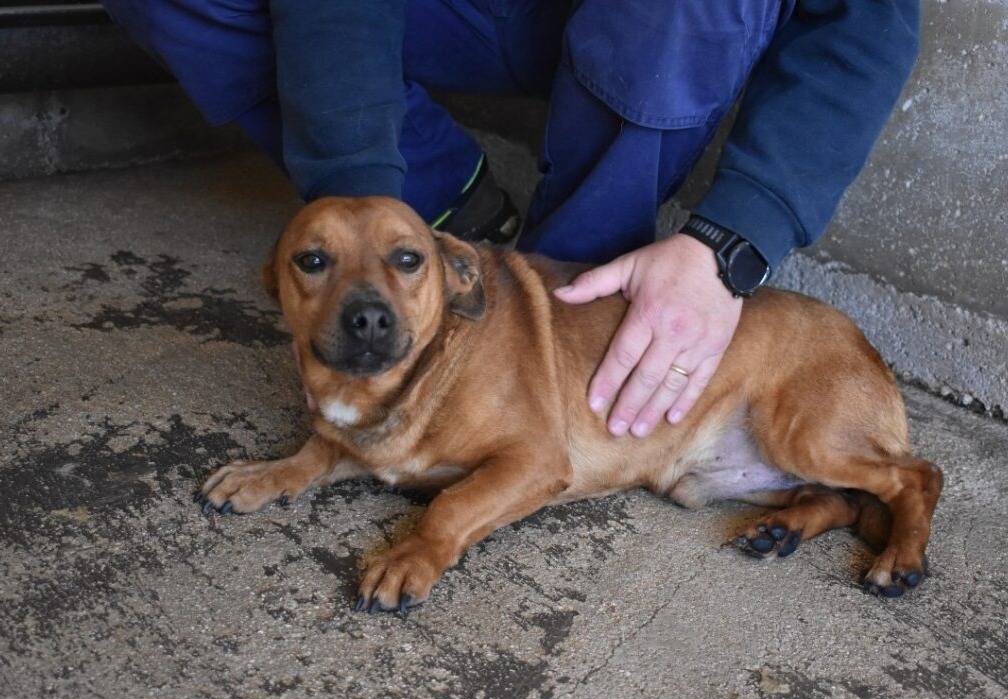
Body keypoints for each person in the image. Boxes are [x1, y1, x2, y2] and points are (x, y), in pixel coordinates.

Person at [102, 0, 919, 438]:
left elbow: (868, 16)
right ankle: (450, 215)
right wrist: (364, 226)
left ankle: (571, 317)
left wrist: (728, 243)